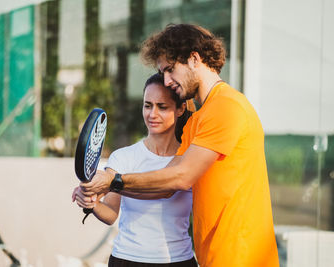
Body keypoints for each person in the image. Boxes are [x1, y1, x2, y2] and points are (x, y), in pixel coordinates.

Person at [80, 24, 280, 267]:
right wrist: (103, 189)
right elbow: (165, 186)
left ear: (194, 59)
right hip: (214, 258)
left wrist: (114, 181)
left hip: (242, 258)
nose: (166, 80)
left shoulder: (226, 107)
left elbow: (181, 177)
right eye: (162, 72)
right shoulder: (198, 120)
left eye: (170, 69)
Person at [72, 73, 197, 267]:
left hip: (178, 260)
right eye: (147, 105)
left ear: (180, 109)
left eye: (162, 107)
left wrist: (113, 183)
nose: (152, 114)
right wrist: (91, 203)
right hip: (126, 259)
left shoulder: (189, 159)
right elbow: (111, 214)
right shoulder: (123, 157)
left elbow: (166, 190)